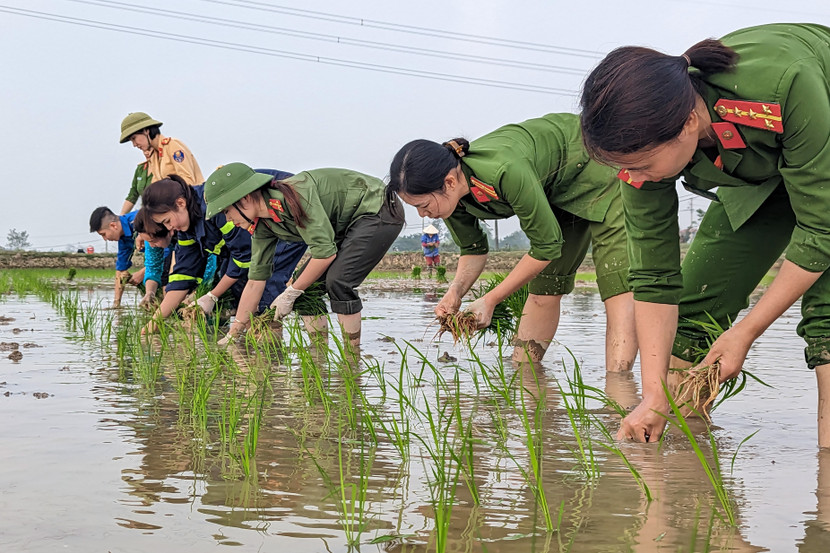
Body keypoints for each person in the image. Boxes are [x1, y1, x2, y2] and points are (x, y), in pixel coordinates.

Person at [579, 23, 830, 445]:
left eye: (640, 165)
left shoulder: (784, 84)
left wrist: (746, 332)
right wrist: (654, 392)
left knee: (827, 327)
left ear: (688, 123)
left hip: (820, 139)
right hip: (759, 173)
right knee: (692, 329)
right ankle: (686, 484)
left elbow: (822, 228)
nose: (631, 177)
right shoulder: (644, 143)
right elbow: (654, 275)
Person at [388, 113, 637, 367]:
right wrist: (455, 292)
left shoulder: (505, 171)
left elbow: (546, 247)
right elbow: (473, 249)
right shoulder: (450, 199)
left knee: (617, 283)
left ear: (449, 182)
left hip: (595, 163)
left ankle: (619, 391)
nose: (422, 214)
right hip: (554, 190)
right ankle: (525, 375)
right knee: (545, 285)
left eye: (424, 205)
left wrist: (491, 299)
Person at [202, 162, 405, 347]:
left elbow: (324, 254)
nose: (228, 219)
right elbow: (255, 281)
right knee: (306, 289)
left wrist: (290, 293)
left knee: (338, 281)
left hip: (378, 208)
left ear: (245, 199)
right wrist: (233, 333)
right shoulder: (264, 224)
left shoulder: (297, 195)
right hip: (347, 227)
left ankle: (352, 359)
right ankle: (318, 354)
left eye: (227, 211)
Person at [139, 174, 307, 333]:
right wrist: (154, 323)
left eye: (167, 221)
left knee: (265, 287)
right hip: (265, 233)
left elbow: (244, 256)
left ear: (181, 203)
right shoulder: (186, 230)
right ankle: (254, 348)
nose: (168, 229)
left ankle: (269, 352)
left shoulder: (215, 208)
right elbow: (183, 276)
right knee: (243, 291)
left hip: (289, 215)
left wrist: (213, 295)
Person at [89, 206, 143, 307]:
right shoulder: (123, 238)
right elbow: (120, 270)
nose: (105, 239)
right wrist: (116, 304)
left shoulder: (139, 221)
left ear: (113, 225)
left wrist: (143, 273)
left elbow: (166, 251)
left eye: (103, 234)